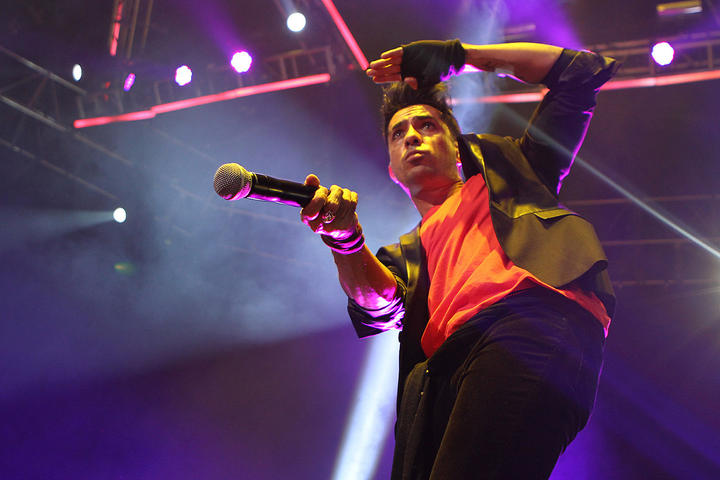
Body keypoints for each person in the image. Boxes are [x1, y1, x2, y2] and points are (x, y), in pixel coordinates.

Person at [301, 40, 618, 479]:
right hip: (446, 369)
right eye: (398, 133)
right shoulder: (406, 254)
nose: (412, 136)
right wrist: (344, 240)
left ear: (456, 146)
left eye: (427, 126)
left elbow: (578, 73)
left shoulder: (515, 171)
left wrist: (460, 55)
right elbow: (377, 307)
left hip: (532, 323)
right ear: (392, 168)